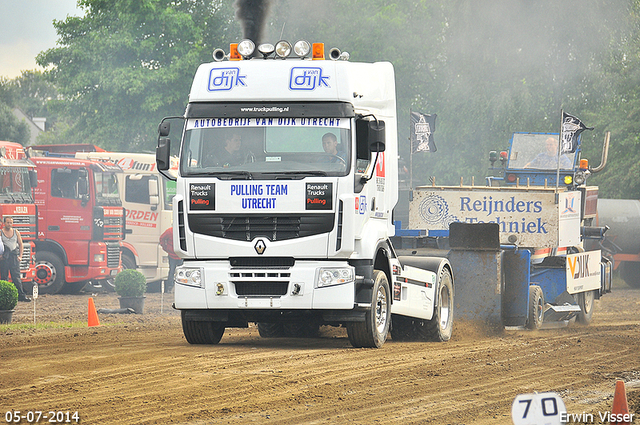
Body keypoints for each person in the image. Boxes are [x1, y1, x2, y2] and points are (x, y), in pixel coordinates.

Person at [0, 216, 29, 302]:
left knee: (16, 277)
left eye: (11, 223)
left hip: (14, 256)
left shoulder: (16, 232)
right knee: (4, 277)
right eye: (8, 222)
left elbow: (20, 244)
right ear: (4, 223)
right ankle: (4, 297)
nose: (9, 224)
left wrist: (20, 256)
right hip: (5, 257)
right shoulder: (1, 232)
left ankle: (21, 296)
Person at [159, 226, 182, 293]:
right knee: (180, 272)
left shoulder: (169, 231)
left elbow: (162, 238)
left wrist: (165, 248)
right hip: (180, 255)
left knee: (171, 271)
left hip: (172, 255)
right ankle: (179, 287)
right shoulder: (181, 230)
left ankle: (170, 287)